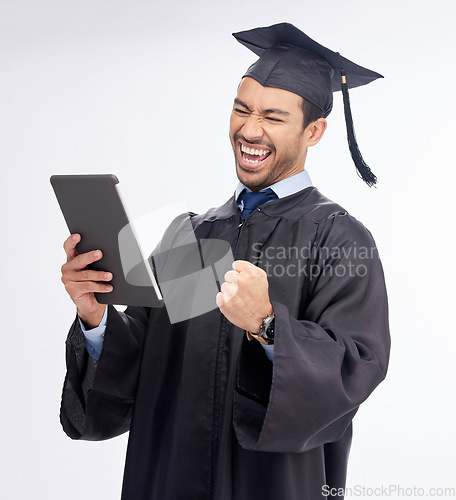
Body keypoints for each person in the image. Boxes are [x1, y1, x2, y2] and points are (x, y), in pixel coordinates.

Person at [59, 23, 390, 500]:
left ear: (313, 131)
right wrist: (95, 316)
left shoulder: (337, 237)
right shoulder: (190, 234)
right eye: (241, 109)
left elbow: (356, 369)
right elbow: (142, 369)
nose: (250, 130)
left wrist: (268, 326)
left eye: (273, 117)